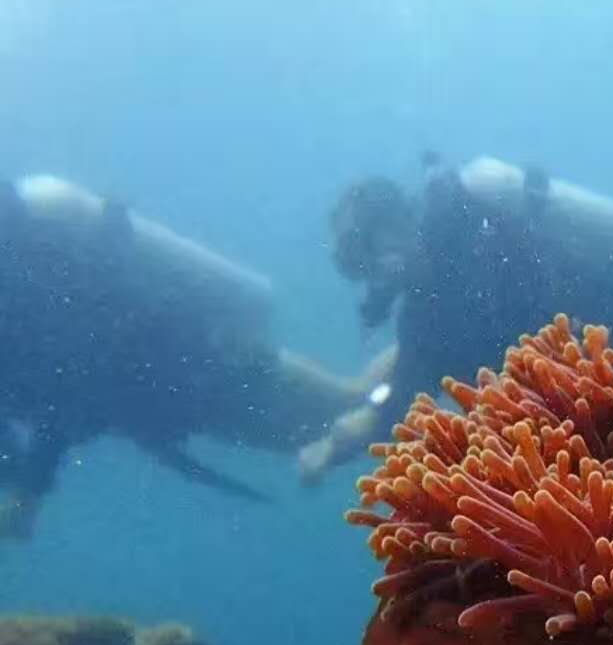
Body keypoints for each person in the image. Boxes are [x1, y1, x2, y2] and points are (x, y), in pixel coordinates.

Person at [0, 174, 382, 539]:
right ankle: (410, 383)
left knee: (353, 406)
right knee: (345, 423)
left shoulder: (22, 280)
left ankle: (416, 357)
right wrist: (24, 484)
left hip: (208, 363)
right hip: (176, 396)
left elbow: (72, 367)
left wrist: (30, 489)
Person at [298, 155, 613, 482]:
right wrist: (341, 440)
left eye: (372, 252)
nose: (377, 274)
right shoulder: (420, 315)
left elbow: (553, 299)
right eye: (362, 268)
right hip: (598, 405)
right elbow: (405, 395)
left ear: (400, 222)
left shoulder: (477, 233)